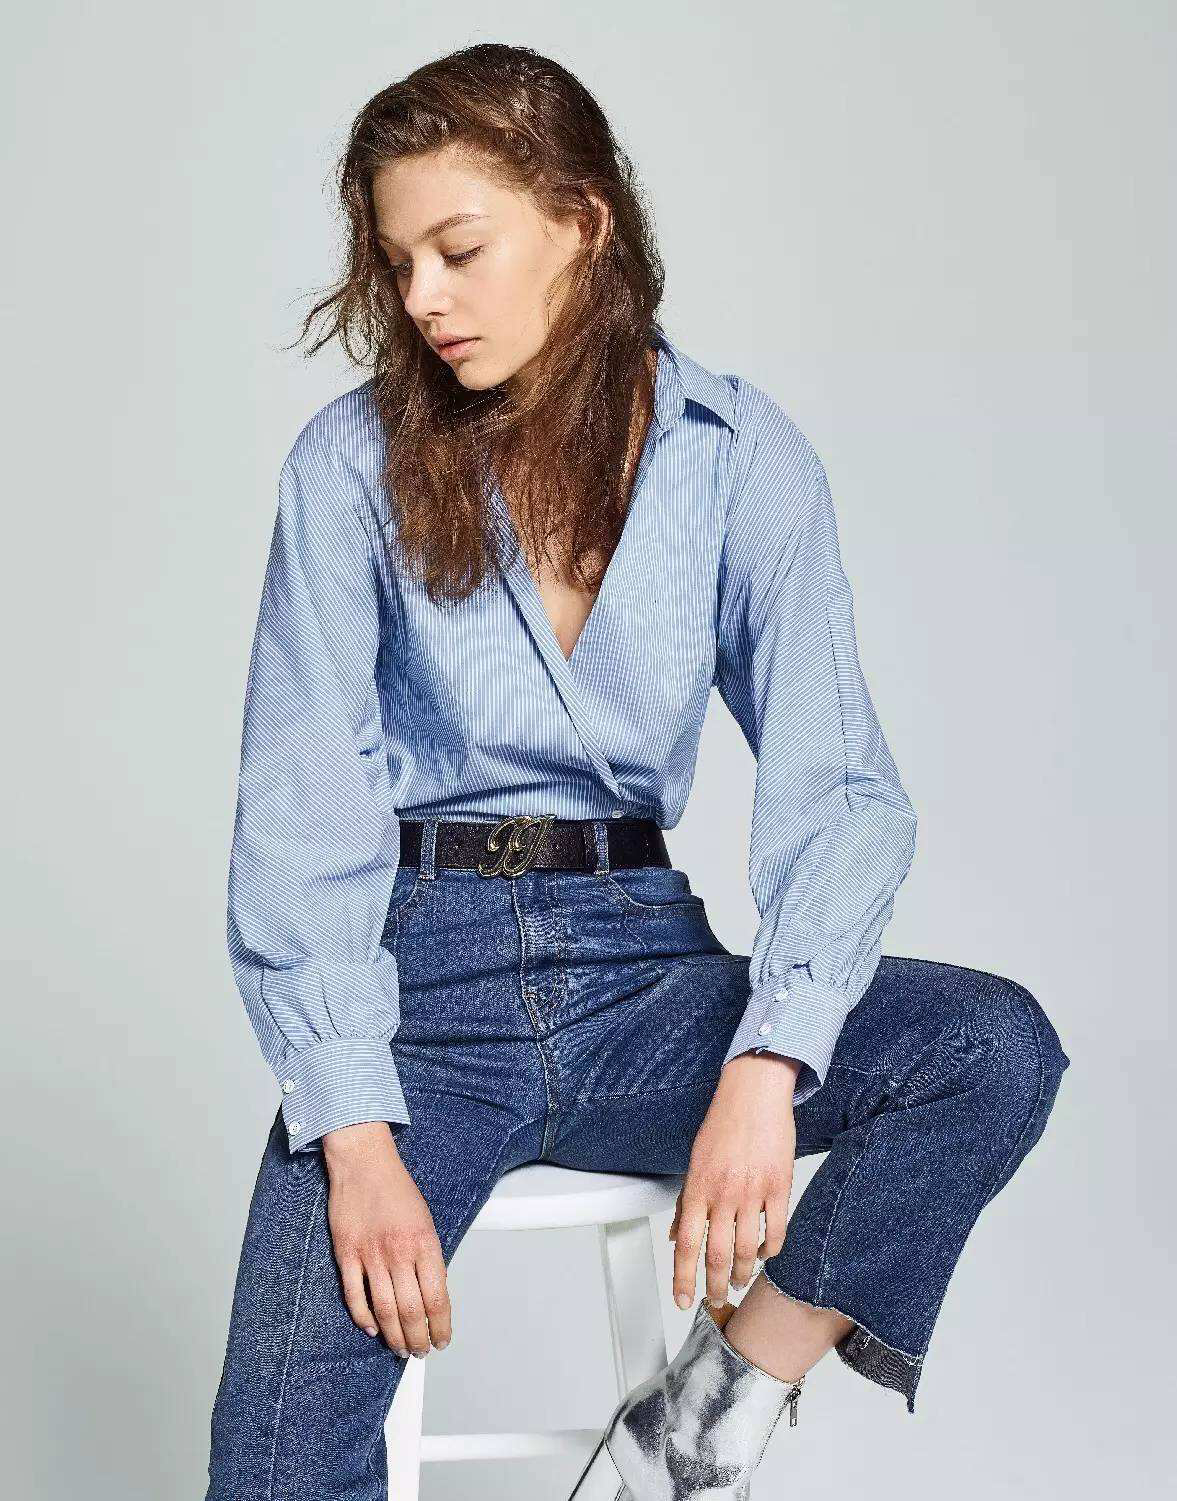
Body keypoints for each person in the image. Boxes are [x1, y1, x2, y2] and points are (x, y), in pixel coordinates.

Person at [203, 41, 1072, 1501]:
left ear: (580, 221)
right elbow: (304, 817)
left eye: (459, 251)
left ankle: (709, 1413)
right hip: (416, 1003)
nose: (422, 300)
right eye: (397, 264)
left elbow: (840, 787)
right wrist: (353, 1130)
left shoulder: (737, 458)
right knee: (274, 1462)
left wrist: (768, 1061)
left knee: (988, 1047)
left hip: (646, 984)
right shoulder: (345, 467)